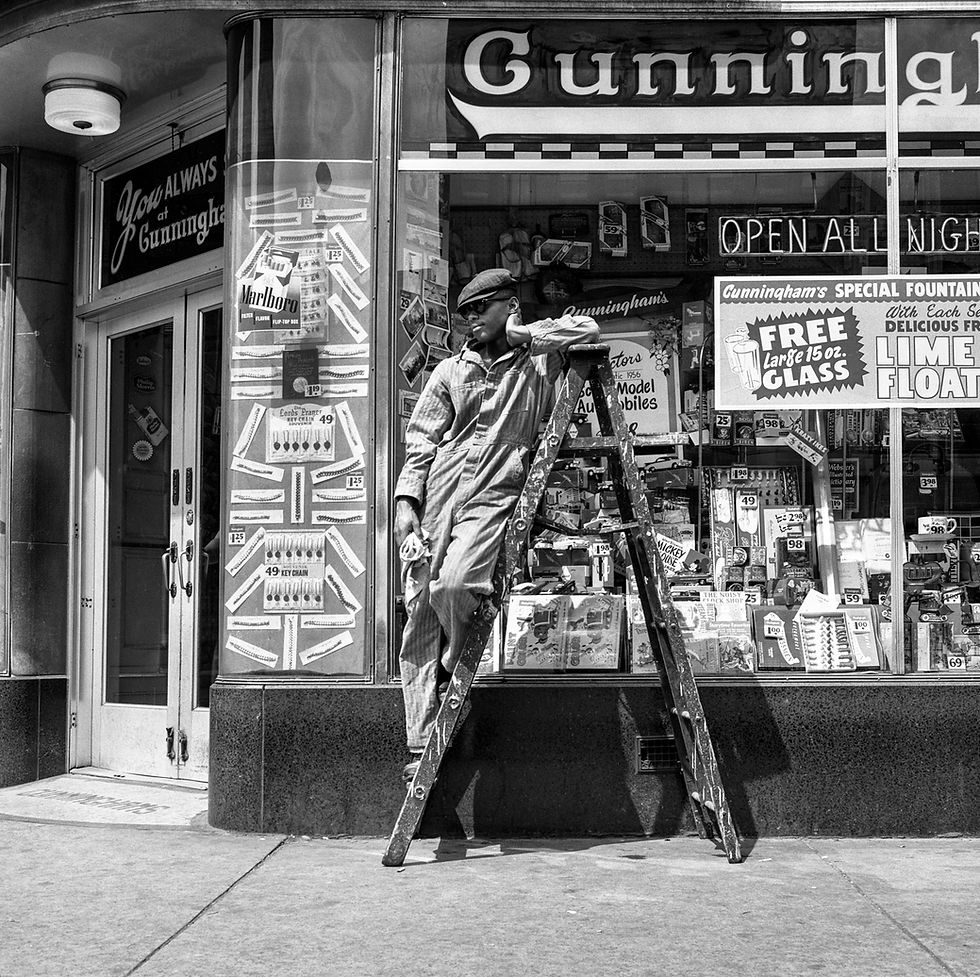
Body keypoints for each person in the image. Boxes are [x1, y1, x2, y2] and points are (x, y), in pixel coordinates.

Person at [393, 267, 601, 784]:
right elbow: (420, 442)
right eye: (463, 313)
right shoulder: (448, 373)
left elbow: (591, 332)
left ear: (508, 305)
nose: (468, 322)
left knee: (458, 583)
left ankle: (452, 663)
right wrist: (405, 503)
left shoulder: (537, 363)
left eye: (478, 311)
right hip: (439, 492)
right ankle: (421, 740)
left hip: (495, 492)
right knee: (419, 607)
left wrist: (524, 333)